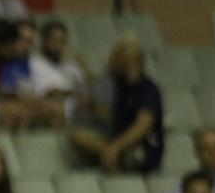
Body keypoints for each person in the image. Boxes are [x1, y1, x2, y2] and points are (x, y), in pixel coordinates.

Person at [69, 38, 164, 174]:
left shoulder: (147, 89)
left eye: (116, 57)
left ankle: (115, 168)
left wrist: (116, 147)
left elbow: (143, 125)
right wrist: (94, 107)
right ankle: (109, 158)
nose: (111, 61)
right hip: (117, 142)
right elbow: (116, 118)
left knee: (125, 155)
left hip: (141, 147)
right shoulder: (121, 86)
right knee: (78, 136)